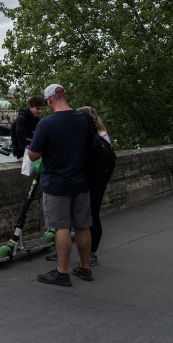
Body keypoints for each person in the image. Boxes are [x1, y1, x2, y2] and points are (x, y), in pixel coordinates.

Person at [28, 84, 93, 286]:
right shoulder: (85, 119)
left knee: (61, 227)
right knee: (83, 225)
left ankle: (62, 272)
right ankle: (84, 268)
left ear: (48, 101)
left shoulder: (46, 124)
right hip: (81, 180)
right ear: (65, 96)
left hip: (57, 183)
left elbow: (34, 155)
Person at [78, 106, 111, 266]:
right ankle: (91, 253)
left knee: (89, 217)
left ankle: (90, 252)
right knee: (93, 216)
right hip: (100, 181)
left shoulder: (90, 137)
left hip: (90, 181)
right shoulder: (104, 136)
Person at [12, 95, 45, 160]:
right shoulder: (21, 119)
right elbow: (23, 140)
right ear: (30, 107)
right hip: (23, 154)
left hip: (32, 152)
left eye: (42, 109)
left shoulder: (36, 119)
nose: (40, 111)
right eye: (38, 108)